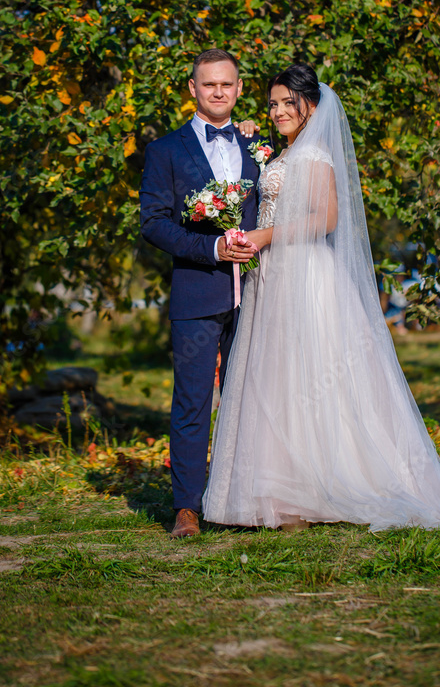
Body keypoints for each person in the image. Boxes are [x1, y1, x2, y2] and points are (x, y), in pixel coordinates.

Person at [203, 63, 440, 532]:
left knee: (311, 377)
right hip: (272, 279)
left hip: (306, 274)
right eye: (273, 104)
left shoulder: (317, 154)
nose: (279, 111)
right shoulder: (278, 152)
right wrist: (246, 134)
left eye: (289, 103)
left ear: (312, 108)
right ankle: (281, 492)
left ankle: (315, 486)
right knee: (275, 377)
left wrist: (265, 236)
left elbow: (325, 220)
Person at [140, 48, 260, 538]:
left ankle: (243, 499)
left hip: (257, 291)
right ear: (193, 89)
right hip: (196, 291)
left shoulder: (259, 146)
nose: (218, 92)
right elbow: (153, 224)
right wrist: (210, 247)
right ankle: (187, 506)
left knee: (250, 397)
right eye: (208, 84)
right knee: (192, 401)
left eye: (226, 84)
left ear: (237, 88)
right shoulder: (165, 151)